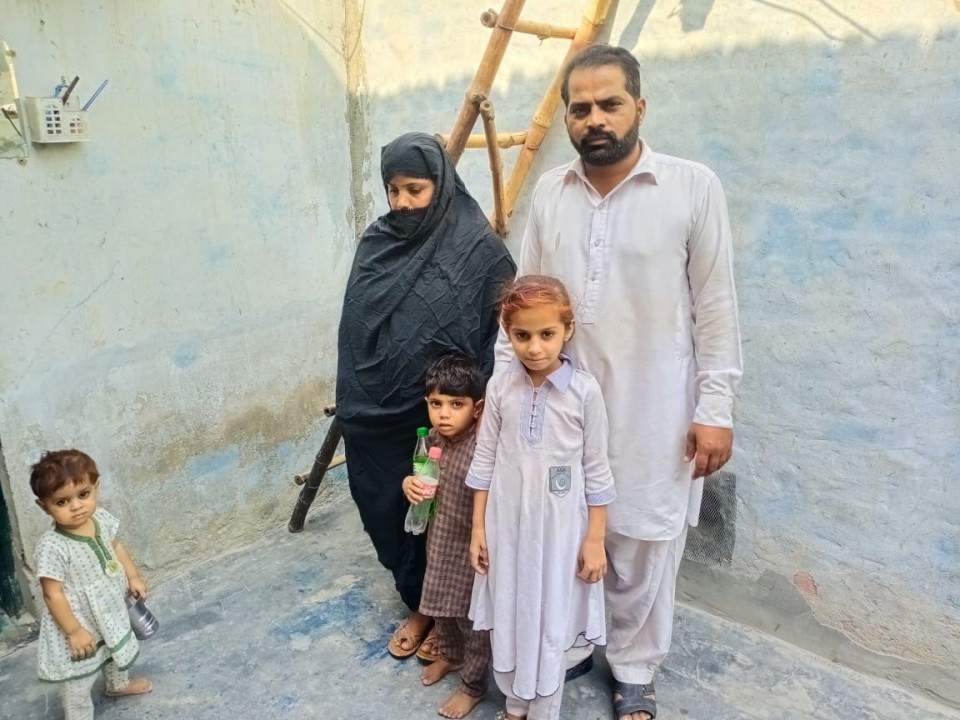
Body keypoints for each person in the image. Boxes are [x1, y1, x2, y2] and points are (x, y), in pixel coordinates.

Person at [512, 44, 743, 720]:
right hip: (559, 406)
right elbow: (523, 300)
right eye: (579, 109)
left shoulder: (692, 187)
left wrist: (716, 407)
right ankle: (573, 642)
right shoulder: (551, 194)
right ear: (566, 120)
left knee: (643, 538)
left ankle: (636, 667)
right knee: (560, 532)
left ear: (639, 107)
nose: (594, 119)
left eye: (609, 104)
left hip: (655, 406)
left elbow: (717, 307)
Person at [336, 132, 516, 662]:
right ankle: (416, 597)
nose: (402, 203)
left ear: (439, 186)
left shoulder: (479, 250)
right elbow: (355, 327)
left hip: (449, 417)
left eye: (414, 189)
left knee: (445, 518)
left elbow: (496, 338)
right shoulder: (377, 243)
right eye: (392, 190)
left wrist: (471, 413)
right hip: (378, 412)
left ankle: (436, 613)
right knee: (388, 504)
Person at [468, 275, 616, 720]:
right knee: (513, 608)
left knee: (550, 613)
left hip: (560, 531)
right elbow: (485, 461)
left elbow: (597, 471)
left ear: (567, 329)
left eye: (546, 334)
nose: (535, 347)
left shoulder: (584, 392)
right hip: (506, 526)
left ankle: (544, 710)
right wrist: (479, 529)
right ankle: (515, 706)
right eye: (522, 335)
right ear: (507, 332)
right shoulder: (500, 388)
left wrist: (594, 539)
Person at [30, 449, 153, 720]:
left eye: (83, 495)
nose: (76, 506)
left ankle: (117, 685)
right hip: (79, 617)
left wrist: (132, 576)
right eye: (62, 501)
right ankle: (78, 715)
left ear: (95, 488)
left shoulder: (100, 519)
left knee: (115, 647)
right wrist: (73, 631)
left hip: (109, 604)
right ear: (44, 506)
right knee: (79, 673)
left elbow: (116, 546)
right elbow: (52, 593)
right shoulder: (53, 545)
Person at [401, 353, 491, 719]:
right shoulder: (431, 440)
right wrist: (409, 484)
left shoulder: (483, 447)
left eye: (457, 405)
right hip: (439, 540)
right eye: (436, 404)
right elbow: (419, 478)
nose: (444, 414)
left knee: (473, 620)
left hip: (473, 547)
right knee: (444, 609)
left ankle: (473, 684)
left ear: (478, 408)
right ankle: (451, 657)